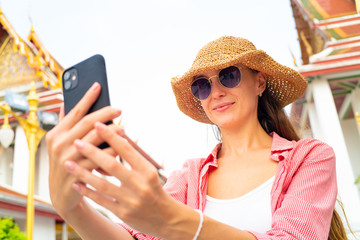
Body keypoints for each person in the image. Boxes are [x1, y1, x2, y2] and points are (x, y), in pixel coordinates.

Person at [46, 36, 347, 240]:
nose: (215, 92)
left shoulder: (310, 157)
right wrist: (73, 208)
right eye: (202, 86)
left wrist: (178, 223)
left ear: (259, 81)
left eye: (229, 75)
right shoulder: (189, 175)